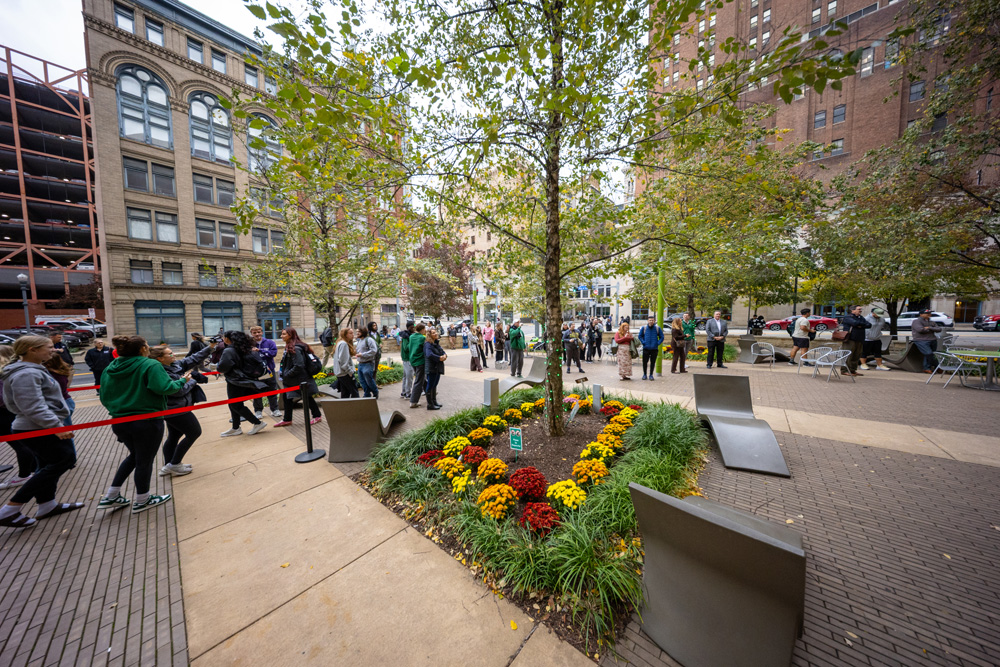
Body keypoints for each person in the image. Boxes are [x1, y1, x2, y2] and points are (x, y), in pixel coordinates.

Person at [97, 335, 188, 515]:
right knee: (144, 461)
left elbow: (104, 396)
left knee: (135, 456)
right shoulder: (150, 365)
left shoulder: (111, 367)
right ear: (142, 349)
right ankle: (142, 499)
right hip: (146, 420)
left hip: (120, 421)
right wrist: (182, 381)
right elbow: (165, 388)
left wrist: (119, 409)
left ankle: (112, 495)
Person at [0, 336, 83, 528]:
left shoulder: (30, 369)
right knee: (64, 460)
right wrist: (56, 426)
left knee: (46, 464)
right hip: (38, 427)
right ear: (32, 350)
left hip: (37, 425)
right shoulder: (26, 373)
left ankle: (47, 504)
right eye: (49, 347)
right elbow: (32, 406)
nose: (54, 350)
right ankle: (10, 509)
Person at [149, 341, 215, 476]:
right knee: (194, 432)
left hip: (178, 408)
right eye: (169, 354)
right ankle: (175, 464)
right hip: (175, 410)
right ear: (160, 358)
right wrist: (192, 380)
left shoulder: (174, 365)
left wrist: (210, 348)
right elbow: (178, 391)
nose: (173, 355)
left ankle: (169, 465)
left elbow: (193, 359)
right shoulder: (161, 372)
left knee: (174, 436)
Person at [217, 331, 269, 437]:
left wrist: (218, 366)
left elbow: (222, 367)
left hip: (236, 380)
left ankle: (257, 423)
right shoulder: (245, 348)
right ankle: (236, 427)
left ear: (228, 339)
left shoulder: (229, 350)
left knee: (235, 404)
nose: (223, 339)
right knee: (233, 403)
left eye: (224, 337)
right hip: (245, 379)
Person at [0, 344, 37, 491]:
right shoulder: (16, 370)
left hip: (6, 414)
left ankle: (24, 475)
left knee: (20, 445)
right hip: (12, 413)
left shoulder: (6, 373)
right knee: (24, 444)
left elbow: (4, 398)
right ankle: (33, 469)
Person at [274, 328, 323, 426]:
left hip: (299, 379)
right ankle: (287, 419)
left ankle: (317, 416)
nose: (281, 336)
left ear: (290, 335)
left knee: (307, 397)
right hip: (293, 380)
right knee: (287, 397)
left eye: (284, 334)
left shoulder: (295, 348)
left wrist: (288, 374)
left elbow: (299, 365)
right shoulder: (290, 346)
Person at [249, 326, 280, 418]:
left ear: (262, 332)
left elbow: (273, 353)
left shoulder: (269, 342)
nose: (257, 334)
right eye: (254, 333)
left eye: (259, 332)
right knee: (257, 392)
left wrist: (260, 350)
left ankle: (275, 410)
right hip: (256, 373)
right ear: (251, 334)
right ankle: (258, 411)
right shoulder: (249, 344)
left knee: (272, 390)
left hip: (269, 371)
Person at [43, 354, 75, 427]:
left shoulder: (52, 375)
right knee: (66, 425)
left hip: (60, 403)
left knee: (64, 427)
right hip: (67, 400)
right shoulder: (61, 372)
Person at [840, 305, 871, 376]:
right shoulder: (848, 317)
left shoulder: (861, 318)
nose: (860, 310)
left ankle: (852, 370)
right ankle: (844, 370)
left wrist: (860, 325)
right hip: (850, 339)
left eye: (861, 309)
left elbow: (869, 325)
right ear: (853, 310)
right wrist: (861, 324)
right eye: (859, 309)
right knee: (848, 355)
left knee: (856, 355)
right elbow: (855, 323)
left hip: (859, 339)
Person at [912, 308, 943, 374]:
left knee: (932, 354)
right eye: (926, 313)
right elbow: (920, 330)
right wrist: (932, 329)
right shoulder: (916, 321)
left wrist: (929, 328)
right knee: (928, 353)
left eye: (929, 313)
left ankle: (929, 368)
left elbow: (939, 329)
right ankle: (934, 366)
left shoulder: (932, 322)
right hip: (921, 340)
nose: (929, 314)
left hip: (933, 340)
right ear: (921, 314)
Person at [333, 328, 360, 398]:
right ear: (345, 335)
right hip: (345, 373)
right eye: (350, 333)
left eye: (353, 333)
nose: (353, 335)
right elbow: (343, 361)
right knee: (354, 393)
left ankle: (345, 405)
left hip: (341, 373)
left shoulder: (340, 343)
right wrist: (350, 372)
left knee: (345, 394)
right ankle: (357, 405)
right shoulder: (343, 344)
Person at [424, 328, 447, 410]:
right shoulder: (428, 344)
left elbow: (442, 351)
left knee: (434, 385)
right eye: (433, 333)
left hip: (437, 367)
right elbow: (429, 354)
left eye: (435, 332)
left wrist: (444, 355)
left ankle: (434, 401)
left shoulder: (436, 343)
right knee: (430, 385)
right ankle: (430, 404)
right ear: (429, 335)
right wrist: (439, 358)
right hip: (431, 367)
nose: (436, 334)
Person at [356, 327, 380, 398]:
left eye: (359, 332)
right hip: (360, 363)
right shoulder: (359, 341)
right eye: (357, 332)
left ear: (363, 332)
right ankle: (367, 394)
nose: (357, 333)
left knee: (368, 379)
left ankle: (375, 392)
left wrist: (362, 354)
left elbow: (374, 350)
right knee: (362, 380)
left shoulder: (369, 340)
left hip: (368, 363)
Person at [638, 315, 664, 380]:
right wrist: (643, 342)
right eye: (650, 320)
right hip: (646, 348)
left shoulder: (657, 328)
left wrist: (657, 343)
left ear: (654, 321)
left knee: (653, 362)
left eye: (652, 320)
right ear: (648, 321)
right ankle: (644, 374)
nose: (651, 321)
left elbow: (662, 337)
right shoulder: (644, 328)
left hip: (654, 349)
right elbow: (640, 336)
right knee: (645, 362)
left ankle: (651, 375)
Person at [408, 324, 428, 407]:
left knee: (422, 378)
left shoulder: (411, 337)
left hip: (413, 360)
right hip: (420, 361)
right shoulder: (422, 338)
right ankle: (413, 401)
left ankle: (430, 393)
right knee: (419, 381)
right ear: (422, 329)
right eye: (425, 329)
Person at [399, 321, 414, 400]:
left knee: (405, 376)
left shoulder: (407, 335)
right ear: (408, 327)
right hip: (408, 358)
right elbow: (406, 348)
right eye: (412, 327)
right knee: (409, 376)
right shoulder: (406, 336)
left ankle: (404, 392)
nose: (413, 328)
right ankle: (408, 393)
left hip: (407, 358)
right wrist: (413, 342)